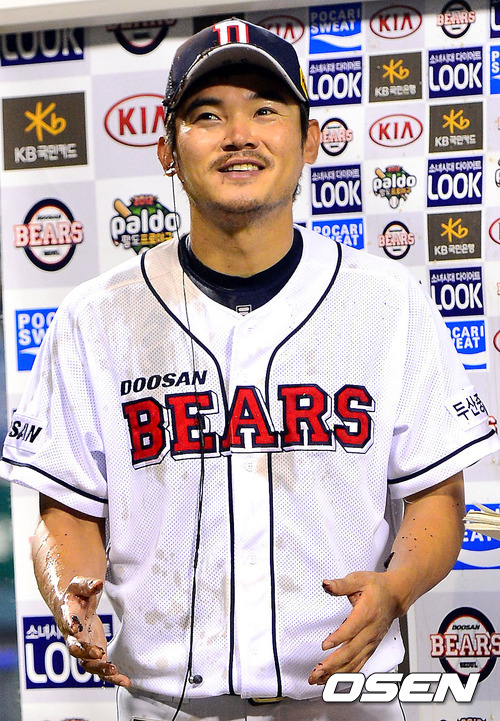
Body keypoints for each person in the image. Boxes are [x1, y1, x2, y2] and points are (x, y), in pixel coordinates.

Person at [2, 18, 498, 721]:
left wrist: (399, 586)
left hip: (345, 700)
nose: (239, 135)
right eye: (208, 115)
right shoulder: (94, 317)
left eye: (266, 110)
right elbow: (67, 509)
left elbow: (437, 498)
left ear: (310, 139)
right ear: (167, 149)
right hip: (168, 704)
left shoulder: (389, 303)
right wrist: (68, 588)